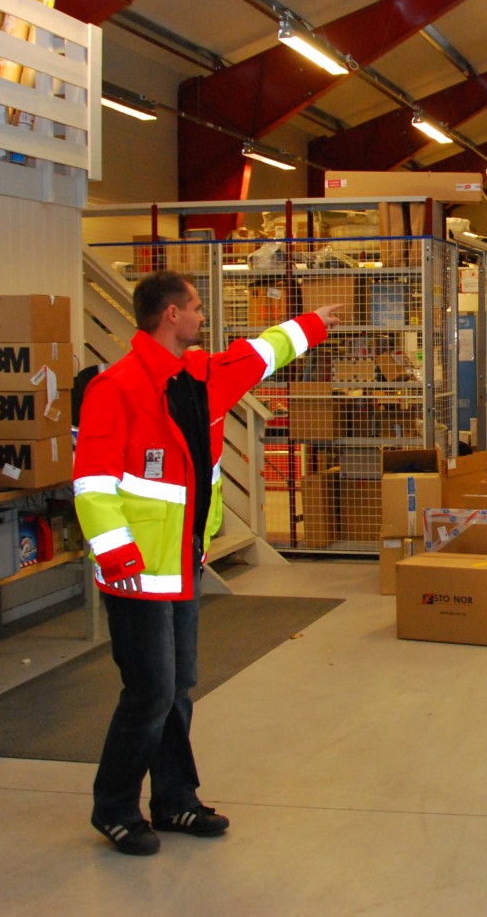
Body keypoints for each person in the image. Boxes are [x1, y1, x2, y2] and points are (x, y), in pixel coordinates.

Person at [74, 271, 337, 856]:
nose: (201, 315)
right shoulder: (115, 387)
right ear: (171, 314)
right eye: (194, 306)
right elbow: (91, 481)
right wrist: (116, 552)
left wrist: (314, 324)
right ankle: (114, 808)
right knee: (149, 692)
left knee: (177, 689)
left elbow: (261, 353)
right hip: (137, 572)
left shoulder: (202, 376)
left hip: (183, 564)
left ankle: (174, 800)